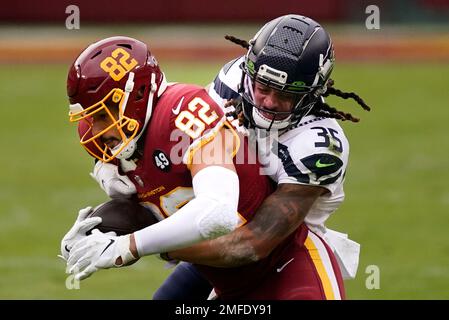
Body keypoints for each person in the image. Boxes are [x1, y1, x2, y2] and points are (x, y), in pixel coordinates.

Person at [151, 14, 371, 300]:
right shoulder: (231, 82)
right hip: (221, 237)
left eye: (285, 94)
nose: (268, 102)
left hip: (287, 254)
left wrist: (151, 243)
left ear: (312, 93)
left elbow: (255, 242)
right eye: (263, 88)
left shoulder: (320, 144)